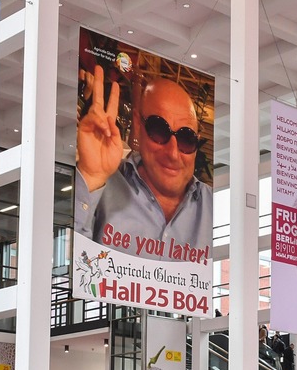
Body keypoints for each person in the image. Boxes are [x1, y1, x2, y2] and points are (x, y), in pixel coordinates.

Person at [74, 68, 212, 254]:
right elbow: (63, 264)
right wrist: (90, 177)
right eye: (159, 130)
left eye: (186, 139)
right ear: (138, 125)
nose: (172, 153)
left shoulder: (216, 208)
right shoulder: (102, 186)